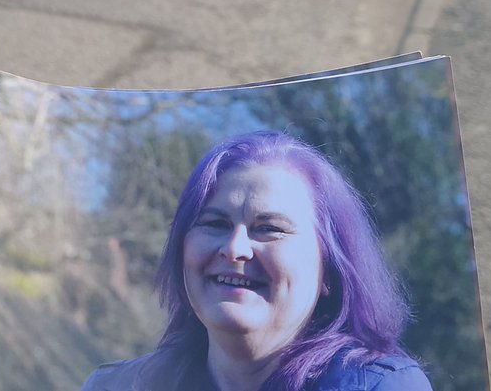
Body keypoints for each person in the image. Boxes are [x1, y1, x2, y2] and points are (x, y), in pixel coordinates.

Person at [80, 130, 433, 391]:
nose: (235, 249)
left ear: (329, 270)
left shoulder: (381, 387)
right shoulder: (114, 386)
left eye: (270, 229)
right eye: (215, 223)